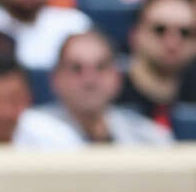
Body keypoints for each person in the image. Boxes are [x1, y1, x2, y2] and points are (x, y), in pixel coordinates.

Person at [38, 31, 171, 145]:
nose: (89, 79)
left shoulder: (150, 139)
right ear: (55, 78)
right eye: (76, 68)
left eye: (101, 67)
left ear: (117, 77)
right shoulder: (30, 136)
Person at [118, 0, 196, 133]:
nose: (173, 42)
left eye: (185, 33)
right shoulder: (109, 94)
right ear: (135, 35)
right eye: (160, 30)